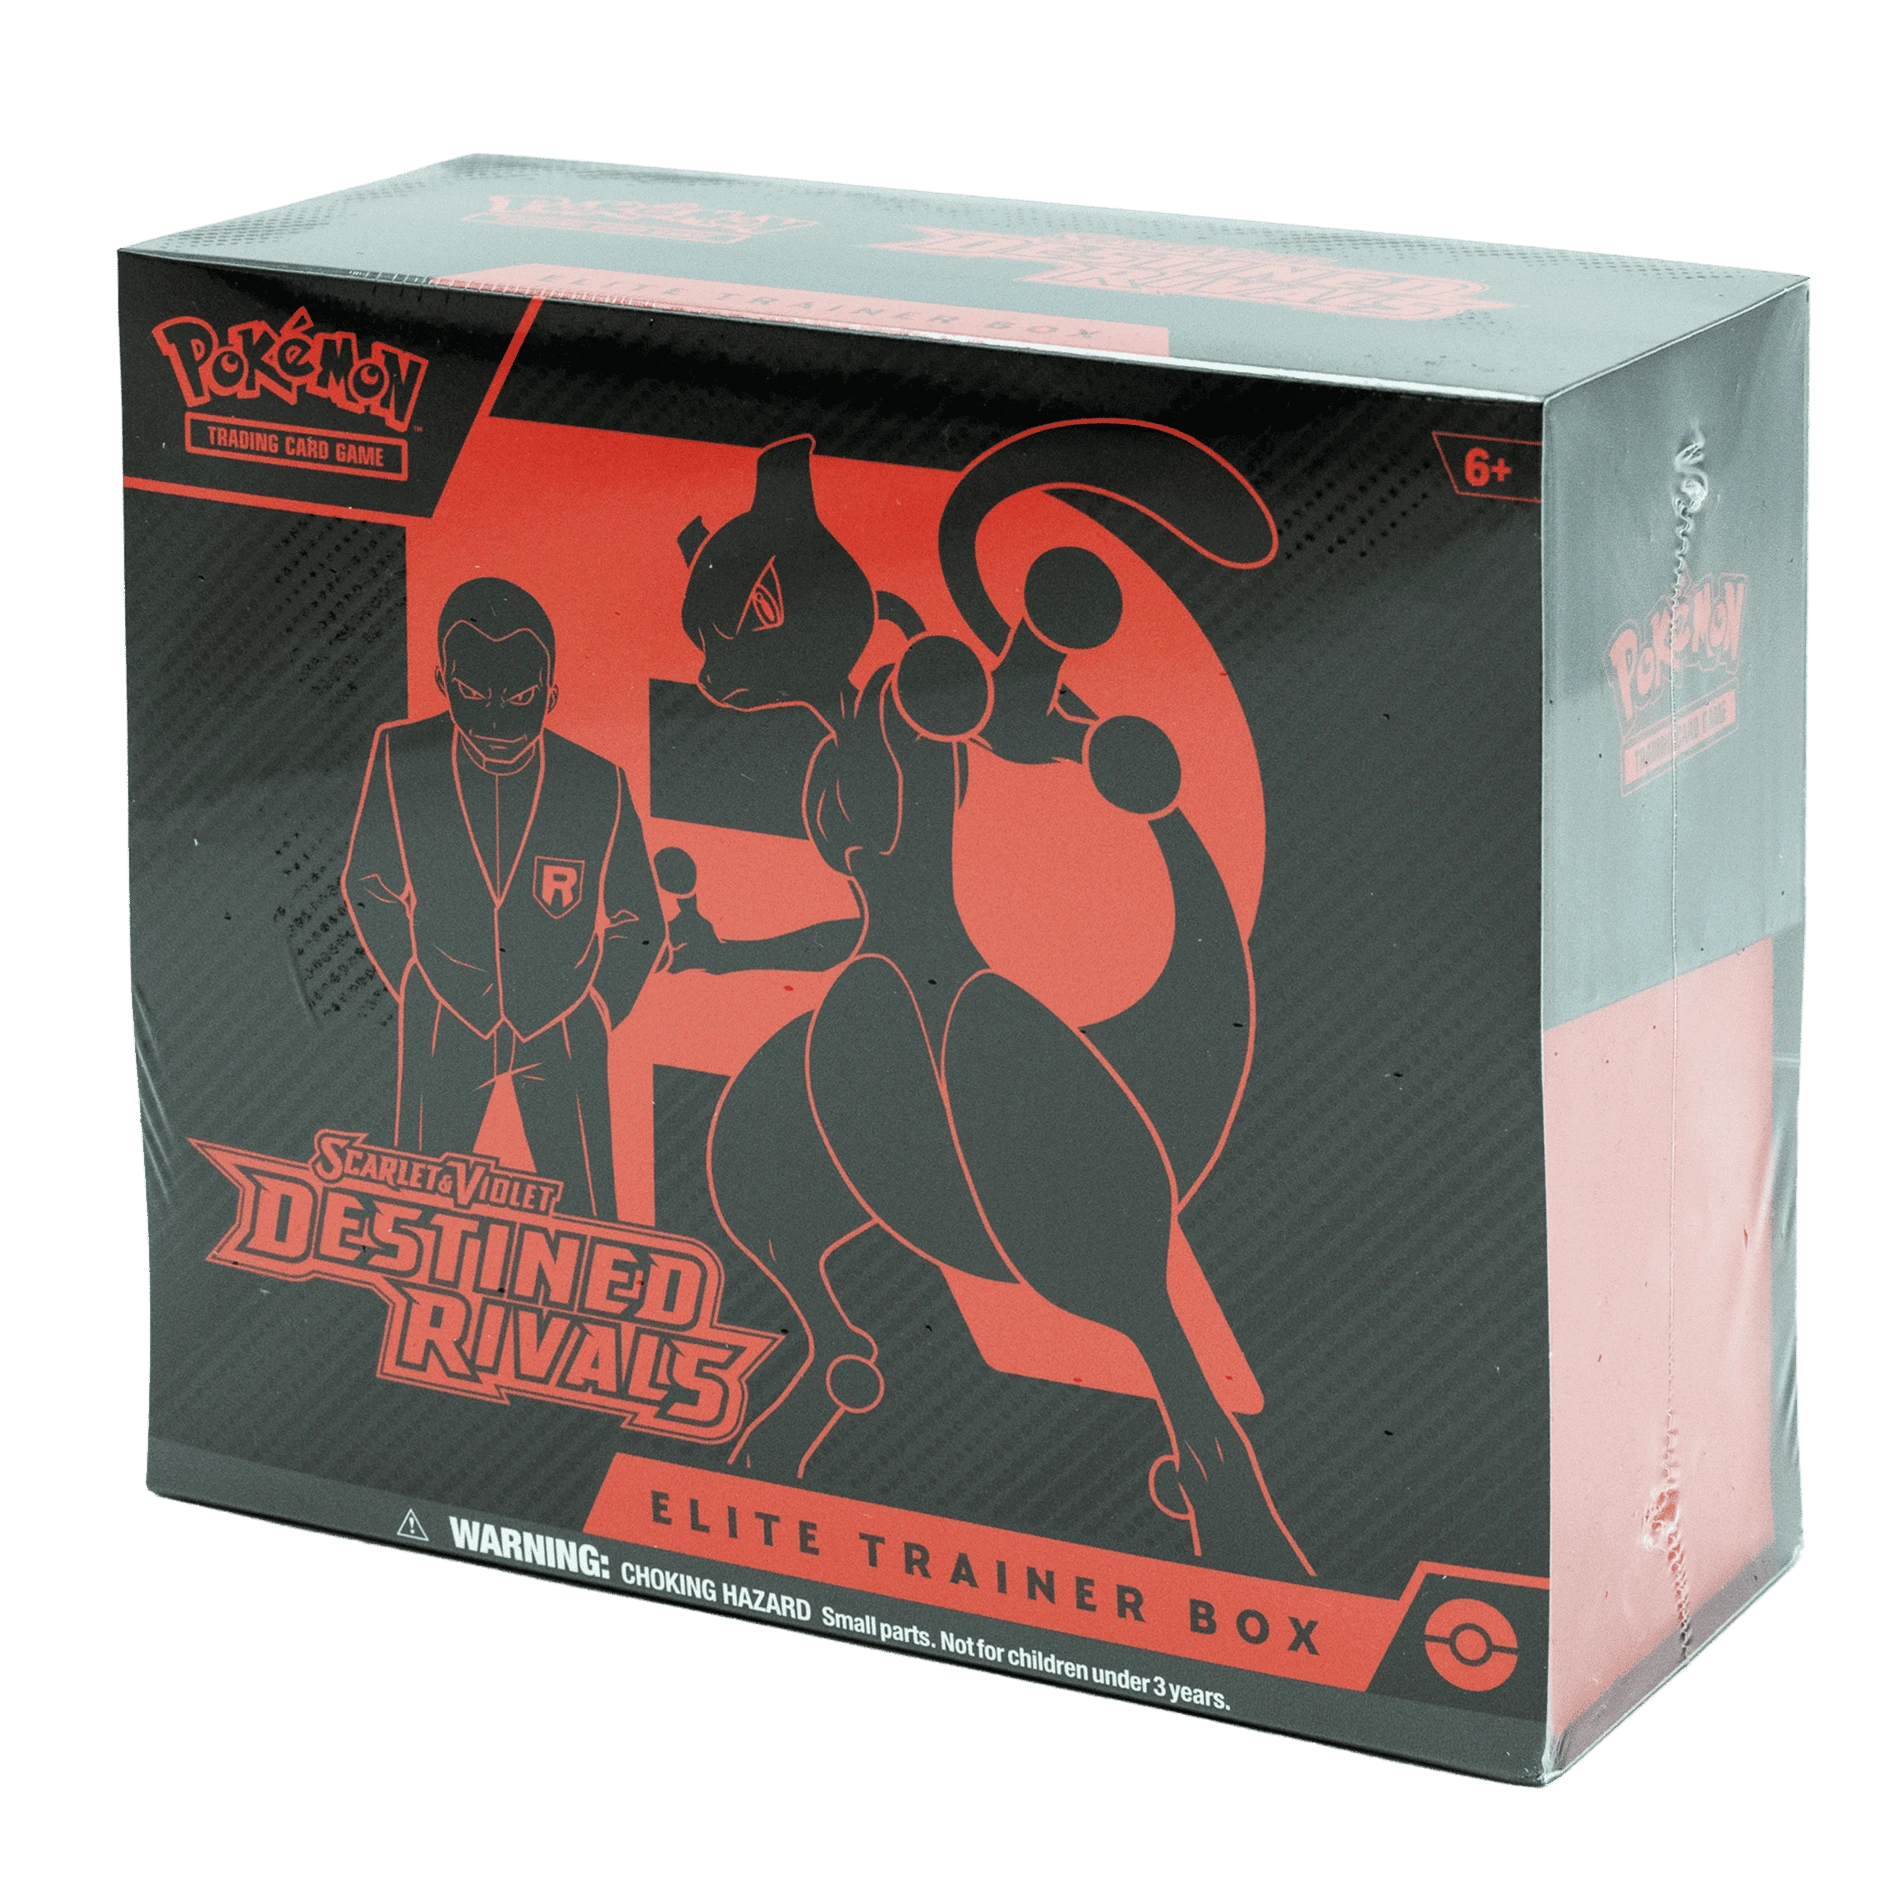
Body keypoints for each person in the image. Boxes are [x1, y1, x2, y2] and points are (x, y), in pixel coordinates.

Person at [666, 428, 1311, 1579]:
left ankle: (1218, 1470)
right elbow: (863, 920)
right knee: (751, 1165)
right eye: (707, 649)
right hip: (879, 1004)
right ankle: (827, 1348)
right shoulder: (834, 749)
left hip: (951, 1012)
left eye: (730, 636)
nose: (715, 675)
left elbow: (989, 716)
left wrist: (1042, 687)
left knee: (1105, 1256)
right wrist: (728, 955)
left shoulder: (901, 702)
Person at [343, 577, 660, 1219]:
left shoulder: (598, 783)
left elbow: (640, 916)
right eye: (471, 692)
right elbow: (368, 882)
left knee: (589, 1223)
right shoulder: (400, 756)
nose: (494, 718)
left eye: (518, 697)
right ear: (441, 681)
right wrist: (414, 980)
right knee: (415, 1217)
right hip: (444, 1014)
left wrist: (598, 1006)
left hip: (563, 1020)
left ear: (551, 694)